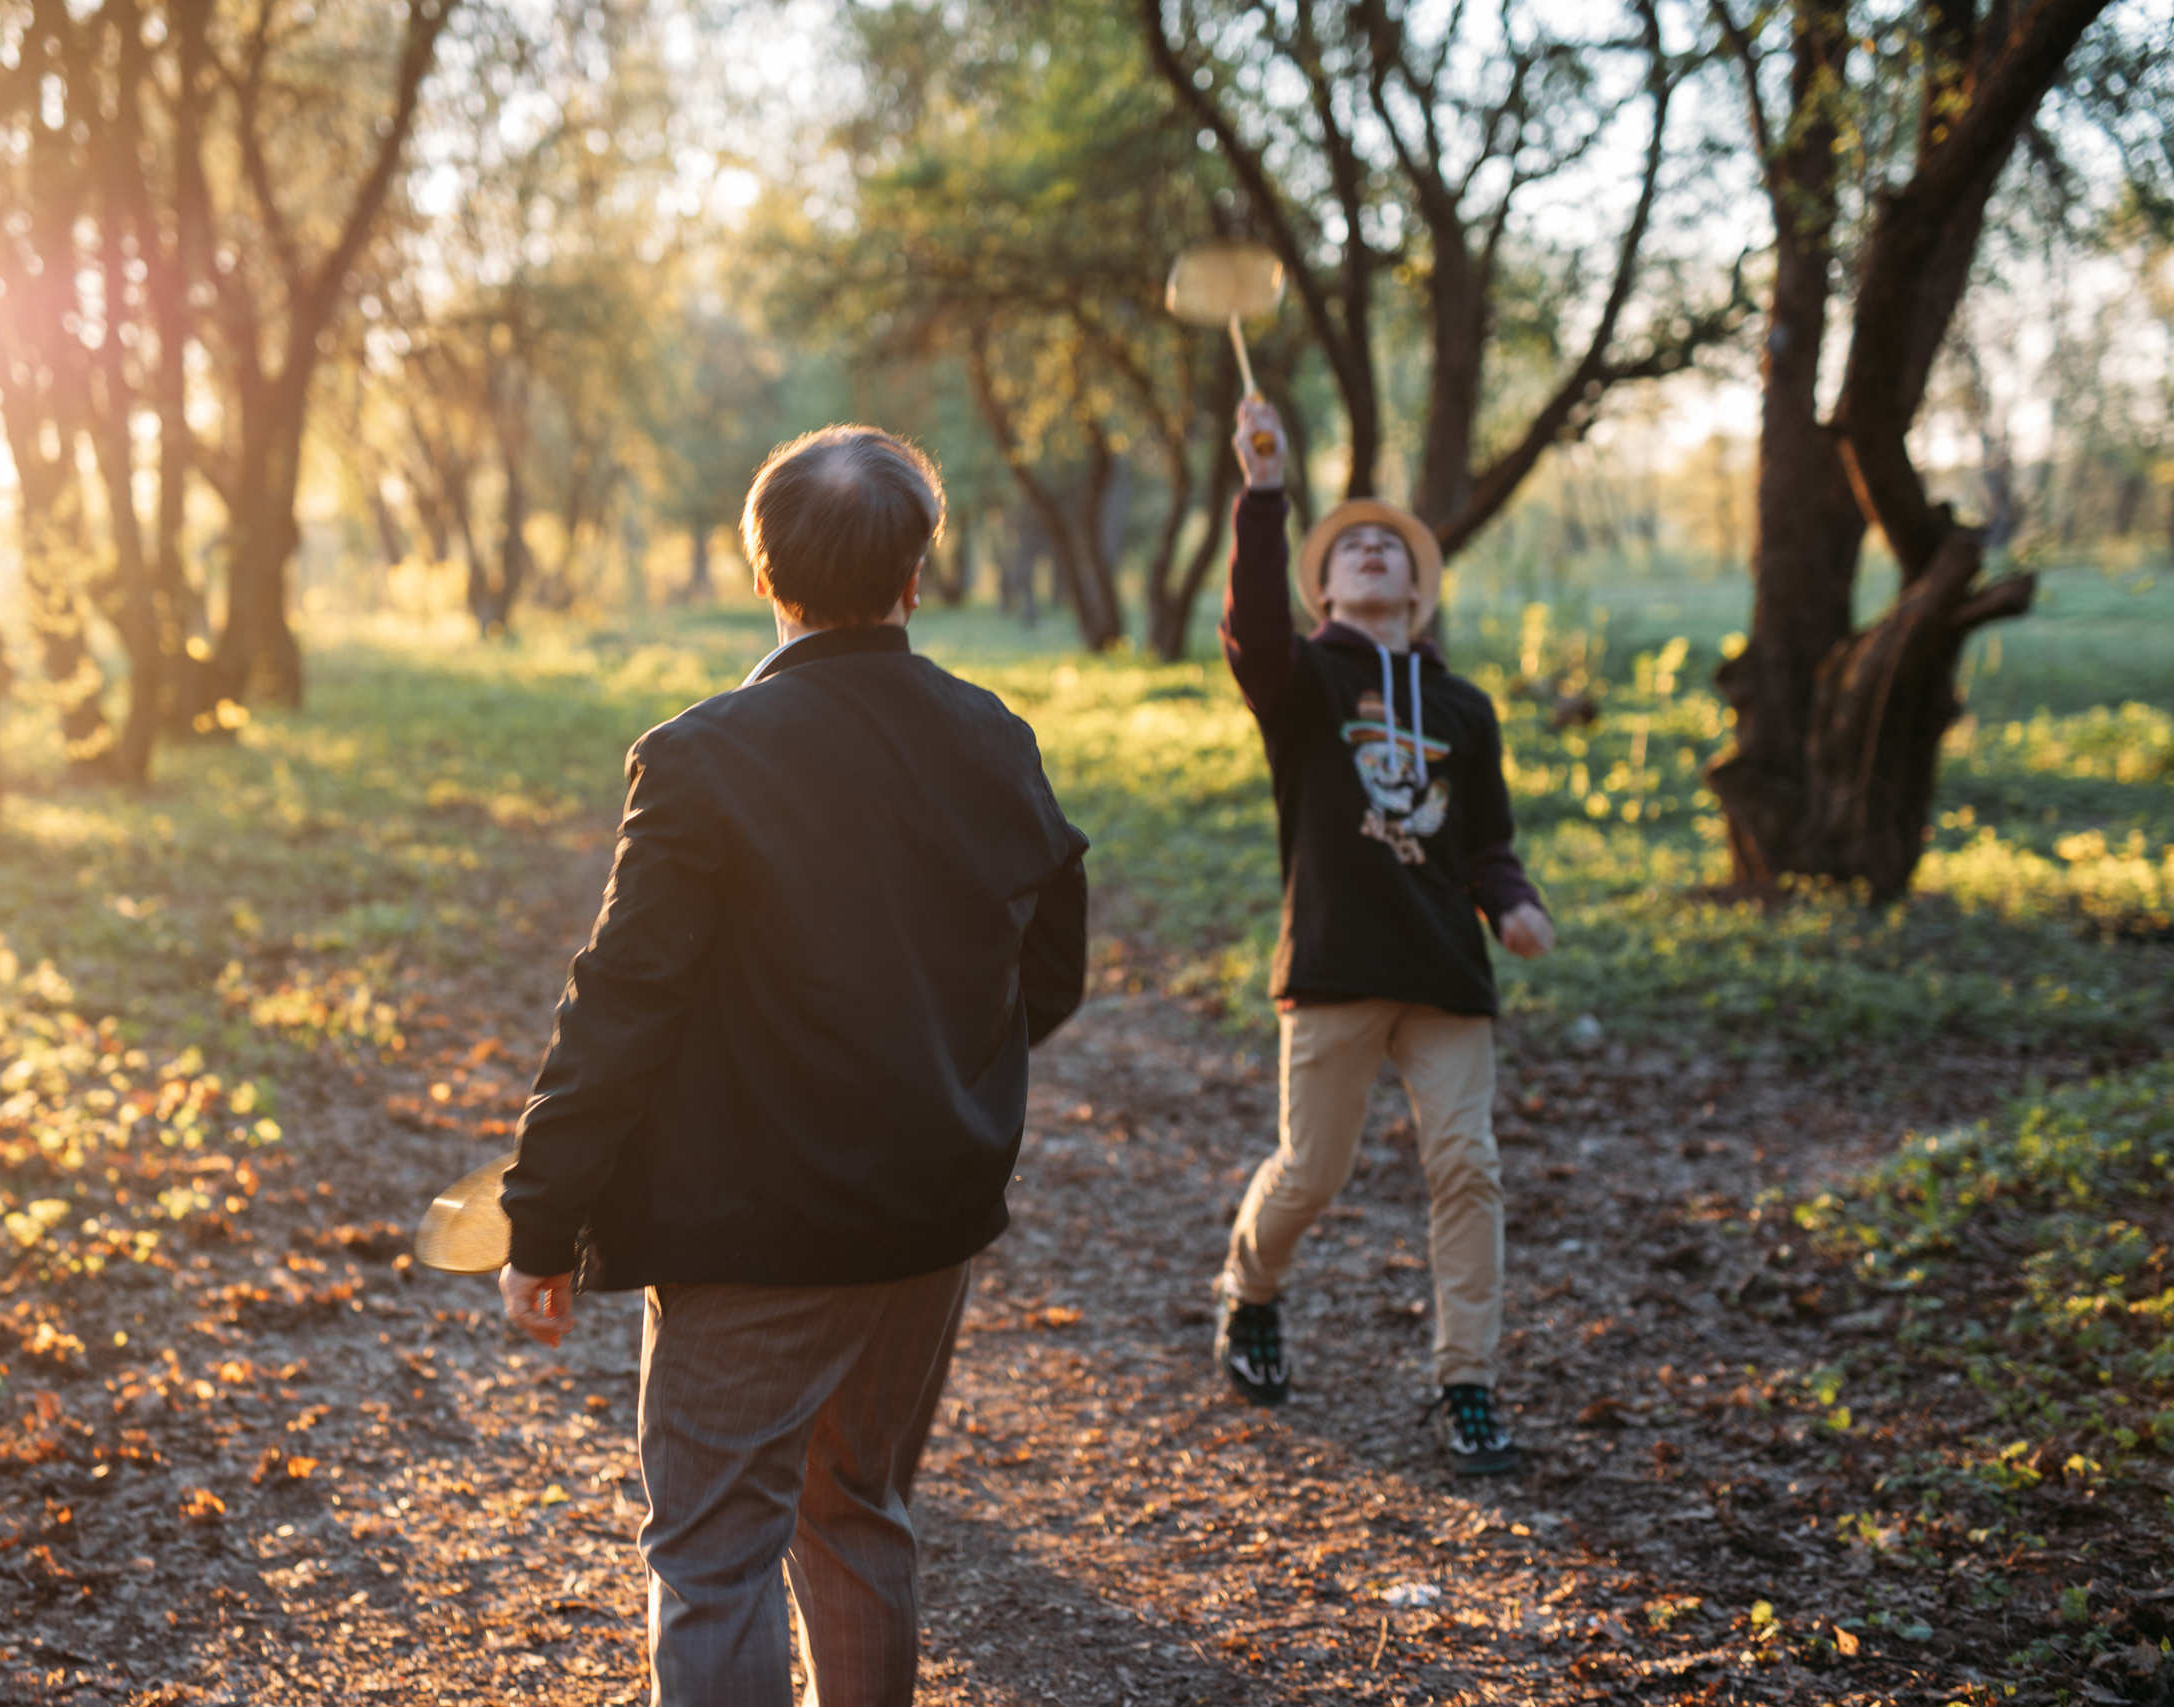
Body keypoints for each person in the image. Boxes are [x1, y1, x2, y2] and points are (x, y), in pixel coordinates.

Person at [493, 425, 1090, 1706]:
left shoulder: (702, 754)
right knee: (858, 1508)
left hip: (750, 1228)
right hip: (928, 1219)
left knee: (712, 1555)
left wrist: (539, 1220)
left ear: (763, 568)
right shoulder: (997, 738)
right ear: (917, 573)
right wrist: (922, 1064)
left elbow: (621, 1007)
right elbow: (1051, 980)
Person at [1212, 397, 1554, 1476]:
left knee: (1469, 1168)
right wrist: (1264, 493)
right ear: (1326, 588)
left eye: (1389, 547)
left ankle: (1467, 1384)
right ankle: (1250, 1289)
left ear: (1417, 586)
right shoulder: (1305, 681)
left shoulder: (1464, 710)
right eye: (1349, 546)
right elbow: (1253, 633)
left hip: (1445, 975)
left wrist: (1511, 902)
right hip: (1335, 965)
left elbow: (1486, 840)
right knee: (1311, 1171)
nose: (1369, 549)